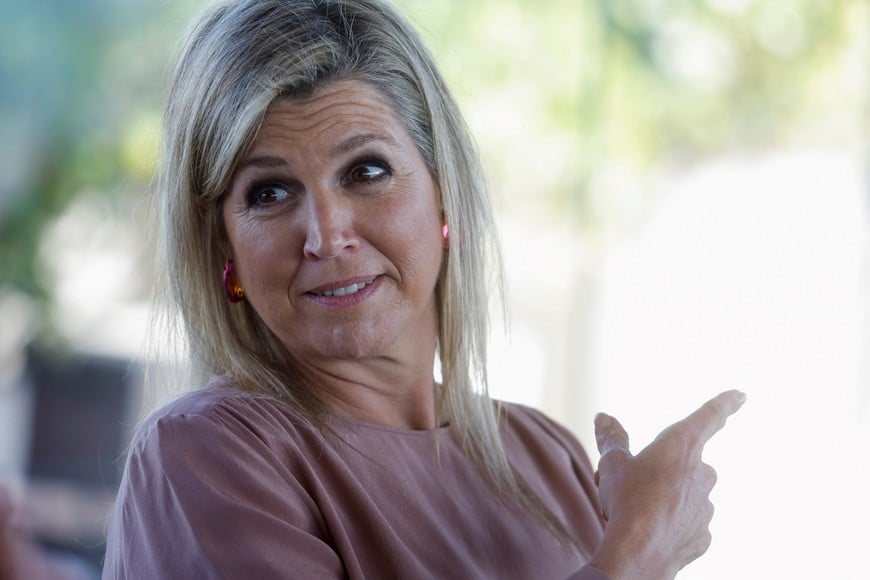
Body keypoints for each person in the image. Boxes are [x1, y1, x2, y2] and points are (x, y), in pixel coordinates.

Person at [102, 0, 745, 578]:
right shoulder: (205, 455)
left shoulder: (549, 457)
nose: (326, 237)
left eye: (366, 171)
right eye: (269, 192)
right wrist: (633, 559)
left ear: (445, 194)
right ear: (223, 242)